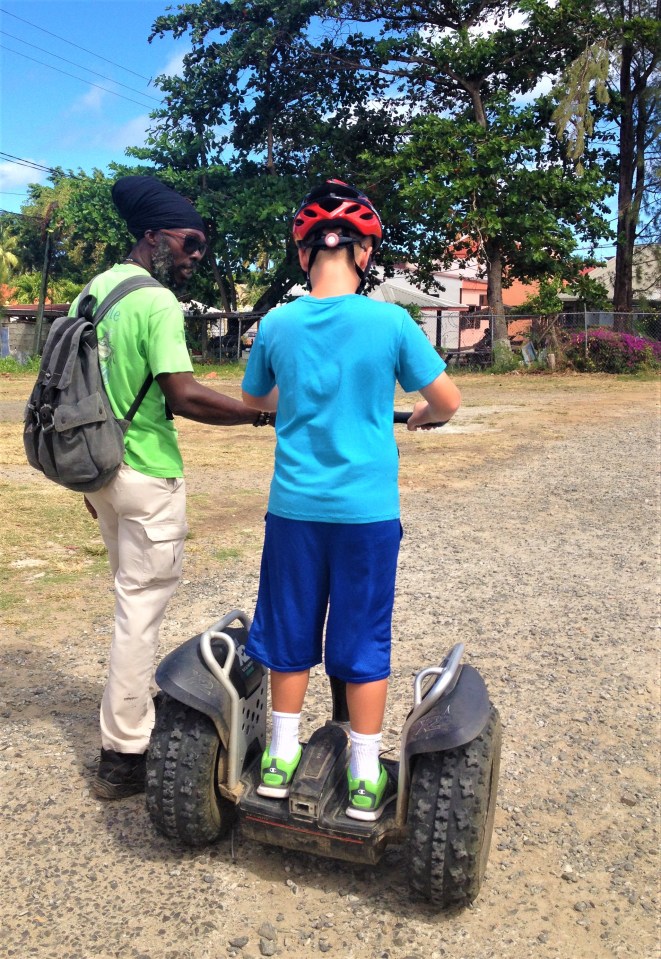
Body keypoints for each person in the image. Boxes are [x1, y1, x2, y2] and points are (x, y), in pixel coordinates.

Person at [241, 179, 461, 821]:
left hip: (294, 509)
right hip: (366, 514)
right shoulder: (390, 322)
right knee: (362, 633)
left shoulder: (277, 323)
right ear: (363, 253)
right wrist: (422, 415)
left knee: (288, 626)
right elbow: (447, 401)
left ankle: (280, 756)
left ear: (303, 254)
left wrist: (294, 397)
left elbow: (256, 398)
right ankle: (365, 772)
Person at [75, 175, 273, 800]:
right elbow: (183, 394)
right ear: (153, 235)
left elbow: (77, 391)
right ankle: (123, 754)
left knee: (129, 597)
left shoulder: (93, 291)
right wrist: (259, 414)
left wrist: (87, 478)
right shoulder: (155, 301)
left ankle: (126, 718)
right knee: (139, 609)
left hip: (100, 472)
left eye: (201, 248)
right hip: (146, 474)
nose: (196, 256)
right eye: (190, 243)